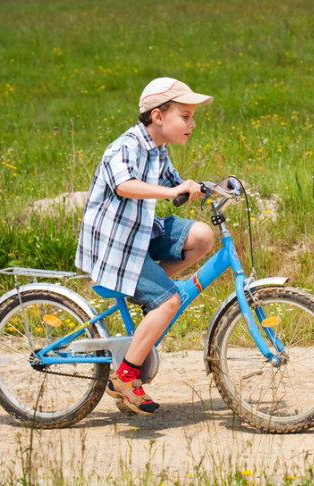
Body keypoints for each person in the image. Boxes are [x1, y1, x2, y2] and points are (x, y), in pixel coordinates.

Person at [75, 78, 214, 416]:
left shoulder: (157, 150)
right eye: (186, 116)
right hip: (116, 247)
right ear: (157, 116)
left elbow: (173, 183)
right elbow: (125, 186)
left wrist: (209, 188)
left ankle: (150, 296)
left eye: (193, 117)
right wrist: (170, 193)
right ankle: (124, 378)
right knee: (169, 300)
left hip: (141, 234)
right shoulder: (124, 147)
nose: (192, 124)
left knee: (202, 237)